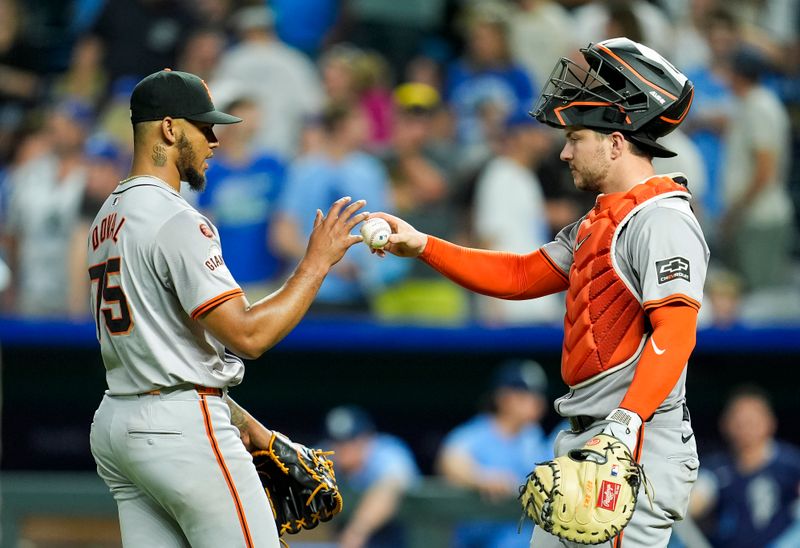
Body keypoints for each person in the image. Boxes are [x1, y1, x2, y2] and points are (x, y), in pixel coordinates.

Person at [370, 37, 709, 548]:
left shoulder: (662, 220)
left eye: (576, 137)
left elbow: (677, 332)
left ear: (617, 143)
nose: (564, 150)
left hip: (631, 442)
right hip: (590, 438)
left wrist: (624, 426)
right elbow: (523, 276)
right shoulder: (599, 222)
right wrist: (423, 246)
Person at [88, 69, 369, 547]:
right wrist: (316, 264)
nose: (215, 142)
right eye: (205, 128)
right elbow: (249, 336)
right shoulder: (175, 219)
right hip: (180, 429)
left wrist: (256, 432)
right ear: (170, 129)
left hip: (119, 424)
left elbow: (170, 355)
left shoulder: (106, 217)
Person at [437, 359, 552, 548]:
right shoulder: (479, 432)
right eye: (524, 396)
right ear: (502, 397)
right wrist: (481, 477)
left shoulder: (534, 437)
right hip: (480, 540)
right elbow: (449, 460)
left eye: (537, 396)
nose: (535, 403)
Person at [689, 385, 800, 548]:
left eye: (752, 420)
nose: (745, 427)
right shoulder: (717, 468)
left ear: (770, 422)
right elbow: (695, 501)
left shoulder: (791, 464)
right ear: (724, 424)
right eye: (738, 420)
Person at [323, 405, 421, 548]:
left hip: (403, 538)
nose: (345, 448)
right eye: (338, 442)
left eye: (352, 440)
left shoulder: (387, 451)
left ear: (367, 437)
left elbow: (390, 487)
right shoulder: (324, 455)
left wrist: (356, 532)